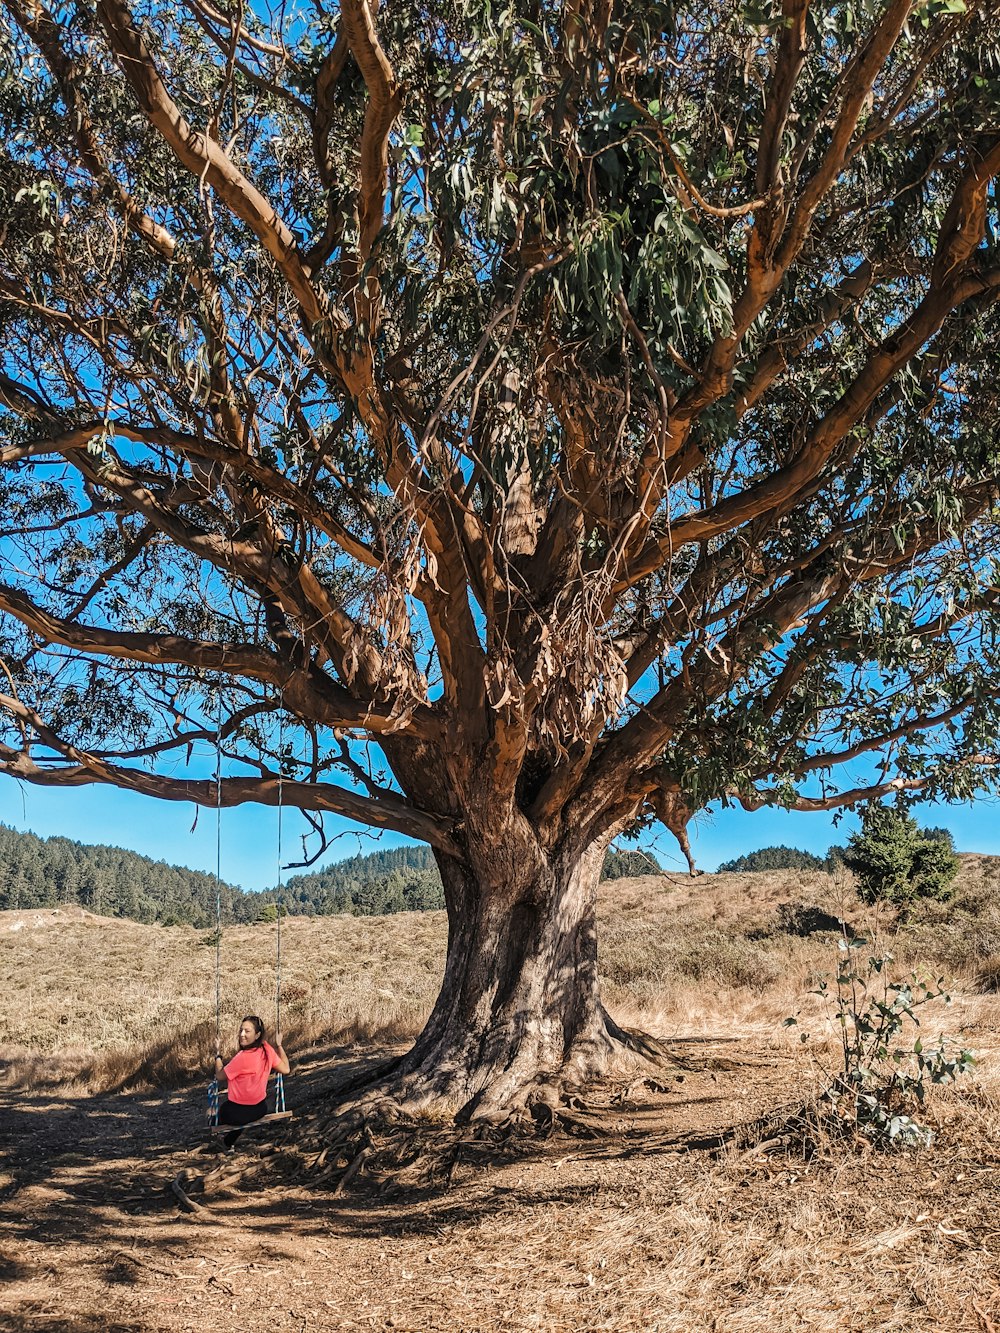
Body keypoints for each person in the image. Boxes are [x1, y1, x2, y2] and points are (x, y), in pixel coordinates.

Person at [212, 1015, 290, 1149]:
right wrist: (279, 1045)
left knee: (225, 1111)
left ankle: (222, 1141)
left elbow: (220, 1075)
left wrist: (218, 1056)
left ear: (257, 1034)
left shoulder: (242, 1057)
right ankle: (227, 1142)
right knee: (242, 1113)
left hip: (235, 1114)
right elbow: (286, 1069)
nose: (242, 1034)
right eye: (241, 1030)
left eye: (247, 1031)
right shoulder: (267, 1050)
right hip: (260, 1109)